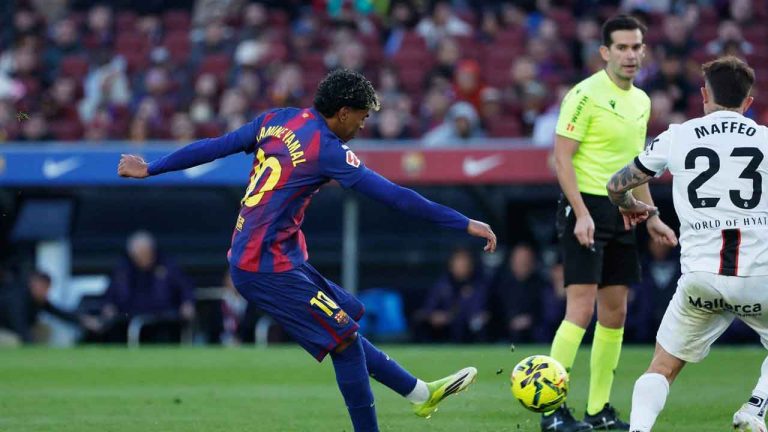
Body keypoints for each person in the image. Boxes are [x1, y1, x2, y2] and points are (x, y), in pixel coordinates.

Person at [117, 69, 497, 432]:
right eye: (362, 117)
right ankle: (408, 403)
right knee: (344, 341)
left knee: (345, 322)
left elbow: (214, 147)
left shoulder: (277, 119)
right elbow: (396, 197)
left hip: (279, 258)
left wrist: (151, 168)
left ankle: (420, 393)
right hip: (263, 267)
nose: (363, 126)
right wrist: (464, 222)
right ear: (343, 113)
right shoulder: (328, 150)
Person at [606, 56, 768, 432]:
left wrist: (632, 207)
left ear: (704, 95)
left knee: (662, 366)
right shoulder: (764, 139)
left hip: (700, 278)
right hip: (759, 277)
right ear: (748, 101)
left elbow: (616, 185)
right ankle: (755, 409)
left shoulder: (678, 136)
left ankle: (638, 430)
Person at [546, 15, 677, 431]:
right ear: (605, 52)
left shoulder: (642, 101)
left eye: (636, 47)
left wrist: (651, 215)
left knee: (615, 313)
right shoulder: (584, 95)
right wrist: (581, 213)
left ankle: (598, 410)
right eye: (621, 47)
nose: (630, 54)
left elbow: (637, 169)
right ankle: (551, 410)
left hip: (622, 210)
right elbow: (561, 158)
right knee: (581, 309)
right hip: (584, 205)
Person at [98, 230, 195, 343]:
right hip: (129, 315)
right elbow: (111, 293)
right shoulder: (123, 269)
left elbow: (186, 287)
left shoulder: (168, 266)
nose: (142, 258)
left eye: (145, 253)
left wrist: (188, 303)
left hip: (163, 317)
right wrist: (108, 306)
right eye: (138, 254)